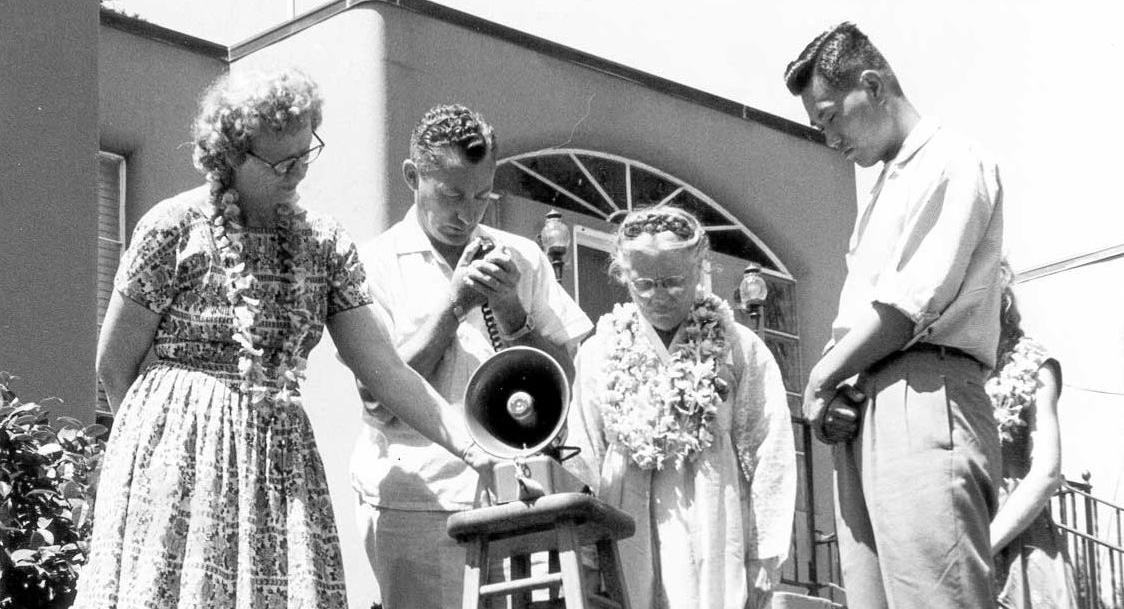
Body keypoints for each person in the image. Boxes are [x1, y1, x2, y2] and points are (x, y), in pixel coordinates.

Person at [75, 70, 492, 609]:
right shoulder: (172, 227)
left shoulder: (323, 243)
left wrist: (471, 445)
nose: (297, 171)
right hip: (177, 462)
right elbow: (114, 364)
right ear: (230, 154)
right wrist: (152, 453)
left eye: (305, 153)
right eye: (280, 162)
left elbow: (385, 369)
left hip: (279, 465)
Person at [783, 22, 1005, 608]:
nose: (828, 137)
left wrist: (823, 377)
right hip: (868, 407)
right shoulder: (883, 188)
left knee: (938, 597)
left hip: (928, 393)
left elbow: (911, 307)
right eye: (817, 126)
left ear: (874, 85)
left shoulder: (953, 159)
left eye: (831, 116)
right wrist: (841, 394)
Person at [348, 103, 594, 609]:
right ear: (412, 177)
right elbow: (378, 399)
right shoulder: (371, 265)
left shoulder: (520, 256)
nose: (468, 214)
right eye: (452, 194)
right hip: (418, 504)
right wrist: (454, 305)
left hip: (518, 499)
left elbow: (566, 378)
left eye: (483, 196)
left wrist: (511, 312)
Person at [565, 206, 797, 609]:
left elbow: (769, 447)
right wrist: (582, 552)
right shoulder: (600, 350)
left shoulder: (738, 346)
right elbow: (584, 453)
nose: (659, 296)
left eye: (674, 282)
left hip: (713, 515)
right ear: (624, 276)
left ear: (699, 269)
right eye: (645, 284)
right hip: (628, 521)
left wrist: (765, 552)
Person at [988, 267, 1080, 608]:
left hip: (1019, 538)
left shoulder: (1033, 365)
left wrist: (985, 545)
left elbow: (1046, 473)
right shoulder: (953, 366)